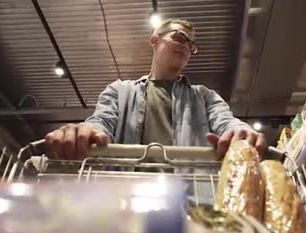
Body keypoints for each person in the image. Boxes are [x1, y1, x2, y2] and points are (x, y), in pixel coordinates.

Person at [45, 19, 267, 161]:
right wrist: (84, 132)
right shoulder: (119, 91)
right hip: (126, 198)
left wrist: (241, 132)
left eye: (191, 45)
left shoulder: (205, 96)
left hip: (192, 198)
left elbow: (226, 121)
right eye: (179, 37)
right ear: (155, 40)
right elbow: (100, 122)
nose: (186, 46)